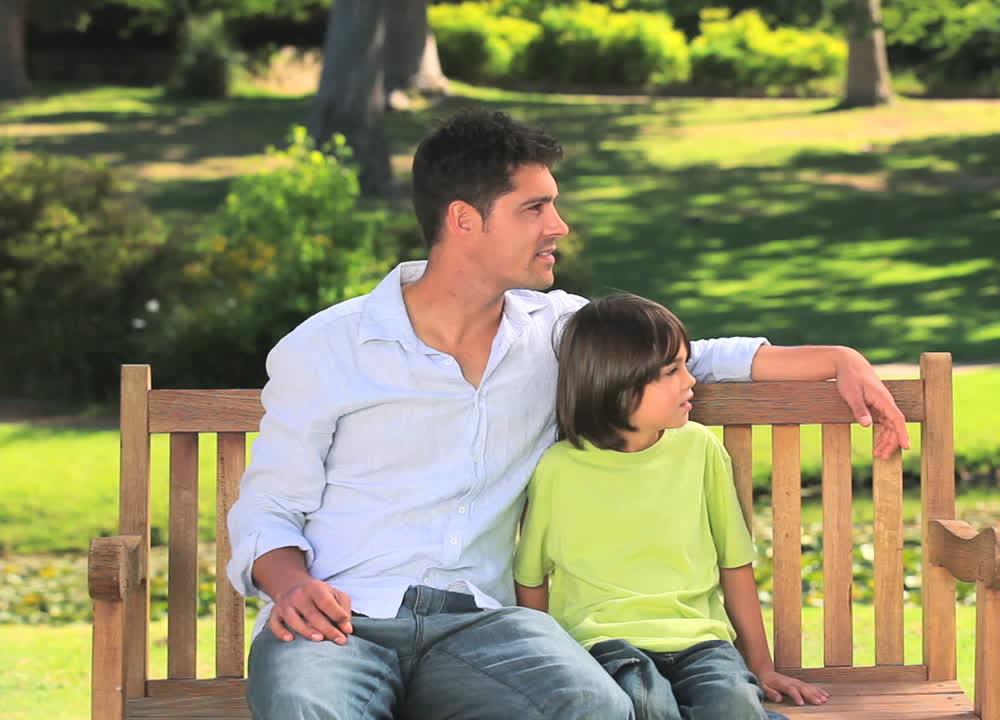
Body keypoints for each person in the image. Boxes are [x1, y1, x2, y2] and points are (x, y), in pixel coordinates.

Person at [227, 109, 909, 720]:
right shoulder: (327, 348)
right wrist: (292, 587)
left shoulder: (555, 333)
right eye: (535, 208)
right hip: (340, 621)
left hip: (483, 627)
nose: (559, 226)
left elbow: (686, 358)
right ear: (464, 220)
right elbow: (268, 511)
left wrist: (837, 358)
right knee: (307, 708)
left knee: (593, 705)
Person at [514, 293, 831, 720]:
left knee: (736, 705)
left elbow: (734, 564)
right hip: (605, 646)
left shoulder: (699, 448)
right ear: (616, 383)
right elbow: (530, 578)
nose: (690, 380)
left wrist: (762, 667)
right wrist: (551, 667)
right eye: (671, 371)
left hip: (702, 643)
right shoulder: (558, 469)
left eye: (685, 365)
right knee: (649, 706)